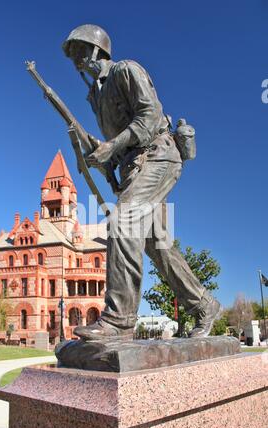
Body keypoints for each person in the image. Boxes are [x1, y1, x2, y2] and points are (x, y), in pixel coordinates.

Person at [62, 24, 221, 341]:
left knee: (123, 221)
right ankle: (205, 306)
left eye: (80, 51)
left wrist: (112, 147)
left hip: (159, 157)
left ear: (97, 50)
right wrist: (105, 158)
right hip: (133, 168)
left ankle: (118, 321)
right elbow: (114, 144)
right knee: (158, 247)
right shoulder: (95, 96)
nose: (76, 60)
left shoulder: (126, 70)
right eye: (73, 56)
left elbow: (148, 118)